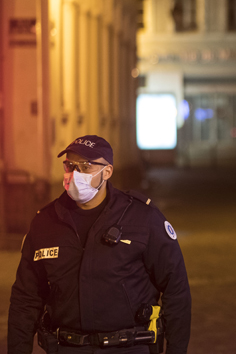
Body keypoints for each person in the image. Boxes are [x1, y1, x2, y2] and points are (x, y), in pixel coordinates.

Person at [8, 135, 191, 354]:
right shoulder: (45, 222)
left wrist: (176, 349)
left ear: (107, 172)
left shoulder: (142, 218)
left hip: (128, 347)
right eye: (70, 165)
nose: (75, 174)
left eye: (85, 167)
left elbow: (176, 287)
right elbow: (26, 297)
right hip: (67, 348)